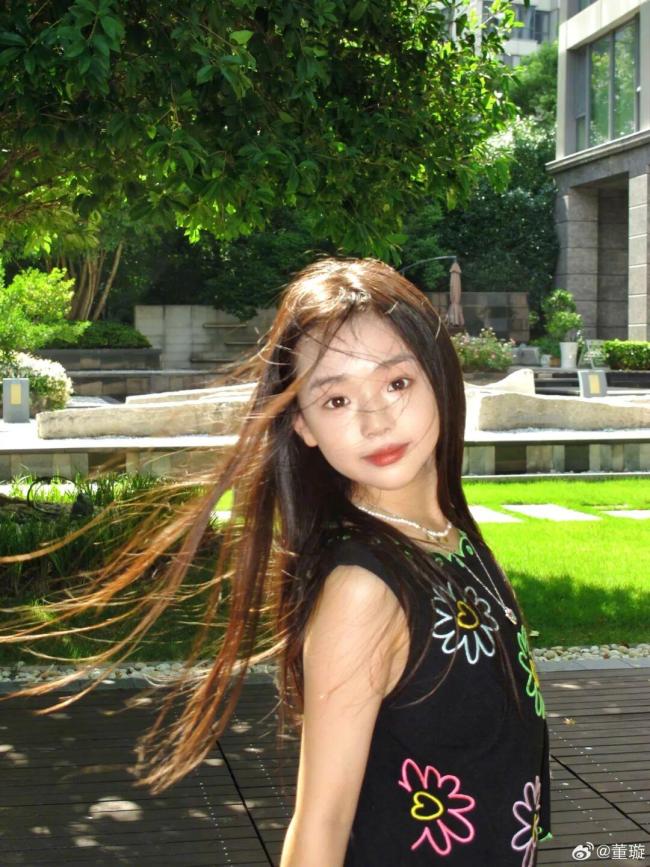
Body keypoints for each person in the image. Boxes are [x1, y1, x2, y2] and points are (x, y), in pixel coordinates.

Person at [0, 257, 552, 866]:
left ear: (440, 378)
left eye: (397, 383)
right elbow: (320, 827)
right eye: (336, 399)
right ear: (304, 426)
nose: (375, 419)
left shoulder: (449, 539)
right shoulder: (365, 590)